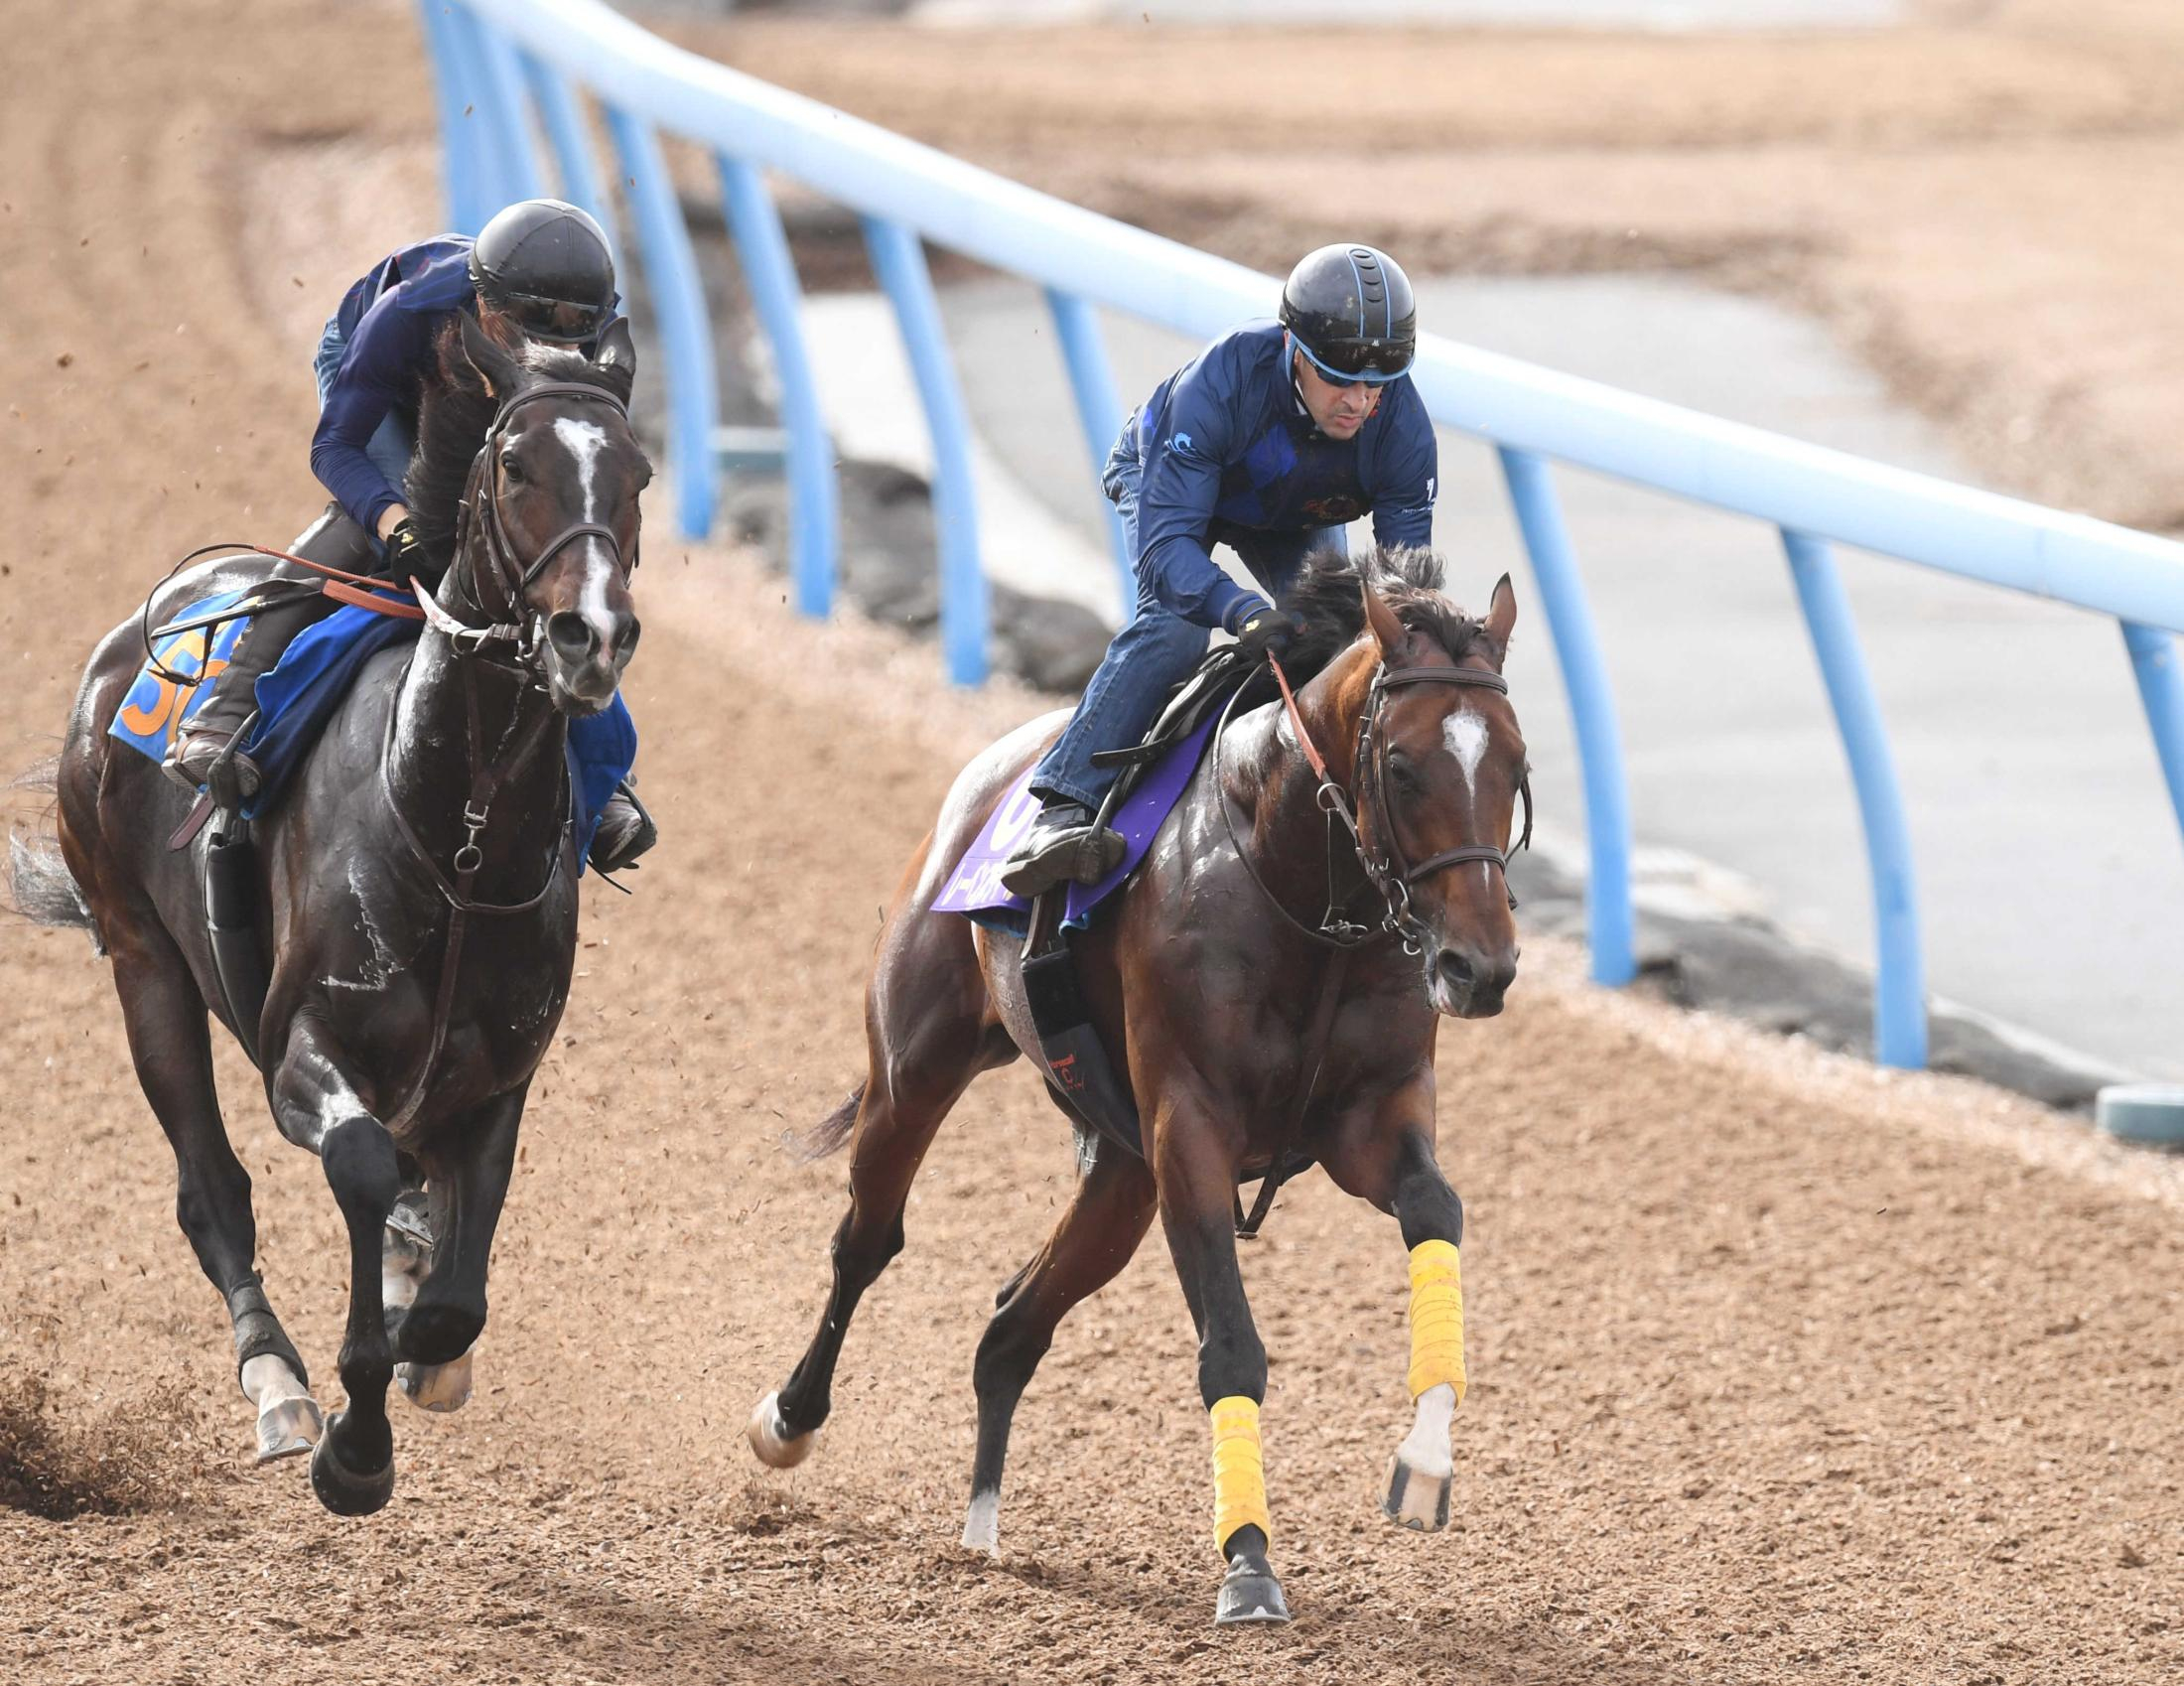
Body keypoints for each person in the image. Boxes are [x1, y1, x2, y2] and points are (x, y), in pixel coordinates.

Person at [165, 198, 655, 871]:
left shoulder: (579, 329)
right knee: (390, 534)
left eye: (568, 340)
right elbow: (335, 447)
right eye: (522, 332)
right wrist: (394, 522)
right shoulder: (411, 313)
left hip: (512, 408)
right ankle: (226, 711)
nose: (544, 352)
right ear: (484, 305)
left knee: (550, 569)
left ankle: (601, 768)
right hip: (392, 383)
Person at [1000, 242, 1436, 898]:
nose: (1360, 401)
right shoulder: (1224, 379)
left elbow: (1401, 594)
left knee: (1341, 644)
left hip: (1288, 509)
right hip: (1173, 489)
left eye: (1377, 383)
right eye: (1340, 378)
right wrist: (1241, 610)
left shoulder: (1402, 425)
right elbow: (1165, 549)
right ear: (1294, 349)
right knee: (1176, 629)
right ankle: (1064, 805)